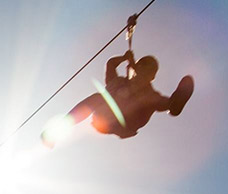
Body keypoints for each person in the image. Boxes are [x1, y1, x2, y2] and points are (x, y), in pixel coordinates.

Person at [55, 50, 193, 141]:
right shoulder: (119, 82)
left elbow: (159, 102)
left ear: (152, 77)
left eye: (149, 73)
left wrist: (172, 103)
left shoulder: (150, 94)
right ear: (137, 69)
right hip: (105, 120)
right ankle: (62, 126)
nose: (145, 74)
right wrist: (124, 58)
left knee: (148, 99)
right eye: (144, 69)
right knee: (99, 97)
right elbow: (111, 65)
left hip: (128, 124)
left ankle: (174, 104)